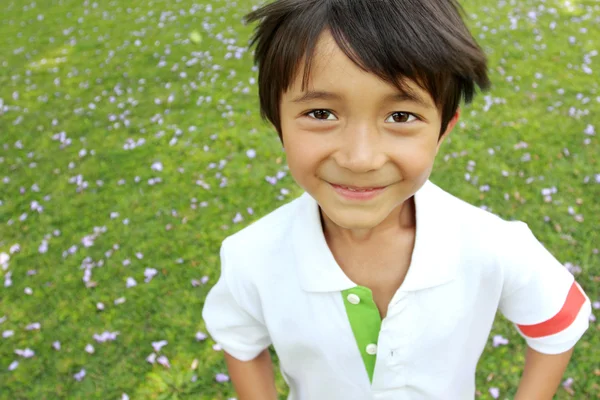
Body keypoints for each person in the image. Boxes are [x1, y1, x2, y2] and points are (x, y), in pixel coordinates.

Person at [202, 0, 593, 398]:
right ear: (276, 120)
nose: (360, 158)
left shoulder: (490, 244)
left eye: (401, 117)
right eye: (321, 113)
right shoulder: (250, 258)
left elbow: (559, 321)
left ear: (443, 129)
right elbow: (240, 341)